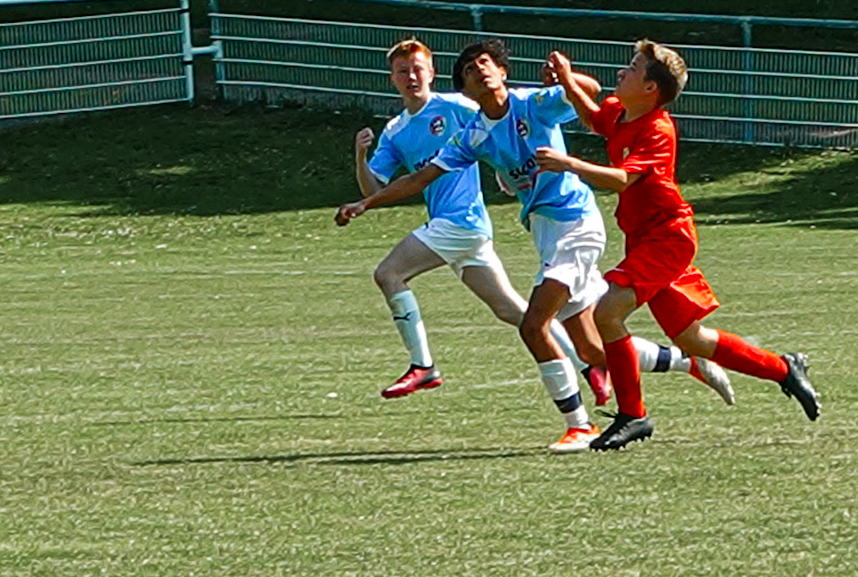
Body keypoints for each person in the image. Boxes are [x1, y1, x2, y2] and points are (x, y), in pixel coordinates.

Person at [338, 38, 733, 451]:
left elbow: (592, 91)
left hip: (576, 222)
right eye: (471, 70)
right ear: (467, 90)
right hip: (544, 232)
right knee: (594, 349)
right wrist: (366, 203)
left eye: (487, 63)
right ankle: (688, 361)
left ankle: (579, 425)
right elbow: (417, 180)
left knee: (533, 323)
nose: (481, 70)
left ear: (503, 72)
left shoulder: (533, 103)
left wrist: (565, 77)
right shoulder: (472, 135)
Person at [533, 41, 821, 450]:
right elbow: (598, 119)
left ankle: (633, 415)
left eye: (632, 69)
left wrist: (569, 164)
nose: (622, 73)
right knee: (692, 340)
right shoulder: (625, 111)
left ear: (651, 88)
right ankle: (783, 368)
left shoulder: (657, 128)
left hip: (667, 238)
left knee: (607, 313)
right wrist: (566, 81)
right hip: (645, 238)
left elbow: (621, 179)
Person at [349, 38, 590, 399]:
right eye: (403, 72)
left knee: (388, 274)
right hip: (459, 231)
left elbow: (495, 124)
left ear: (431, 72)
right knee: (515, 313)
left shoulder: (457, 105)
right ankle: (588, 364)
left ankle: (423, 366)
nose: (412, 76)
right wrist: (360, 156)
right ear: (393, 79)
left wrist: (505, 169)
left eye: (418, 69)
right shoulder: (396, 130)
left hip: (460, 222)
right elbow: (375, 186)